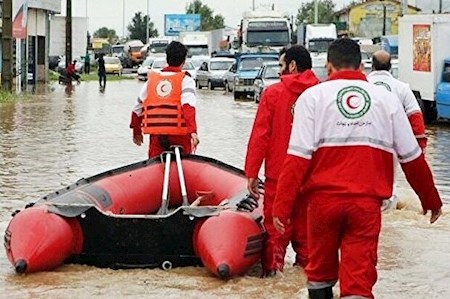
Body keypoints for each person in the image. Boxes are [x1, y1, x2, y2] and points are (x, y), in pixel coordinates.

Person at [272, 38, 442, 299]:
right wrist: (430, 199)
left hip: (321, 205)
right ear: (361, 66)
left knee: (318, 274)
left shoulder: (312, 97)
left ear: (328, 66)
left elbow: (297, 159)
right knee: (358, 281)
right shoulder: (386, 99)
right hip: (366, 206)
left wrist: (281, 207)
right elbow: (412, 157)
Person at [244, 45, 320, 277]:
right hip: (313, 180)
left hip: (279, 177)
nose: (279, 71)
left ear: (292, 65)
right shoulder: (322, 94)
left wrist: (251, 173)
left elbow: (261, 136)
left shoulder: (273, 93)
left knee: (275, 237)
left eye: (280, 65)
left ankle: (272, 281)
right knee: (309, 242)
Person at [367, 50, 427, 210]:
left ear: (371, 66)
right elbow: (416, 117)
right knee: (389, 183)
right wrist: (419, 147)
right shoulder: (402, 88)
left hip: (363, 140)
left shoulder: (362, 85)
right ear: (390, 67)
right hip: (391, 144)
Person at [130, 41, 199, 158]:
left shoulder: (152, 81)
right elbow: (188, 106)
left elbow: (137, 108)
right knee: (184, 166)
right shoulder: (186, 80)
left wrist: (137, 131)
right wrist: (193, 131)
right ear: (184, 61)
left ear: (166, 59)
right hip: (180, 135)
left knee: (155, 165)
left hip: (157, 135)